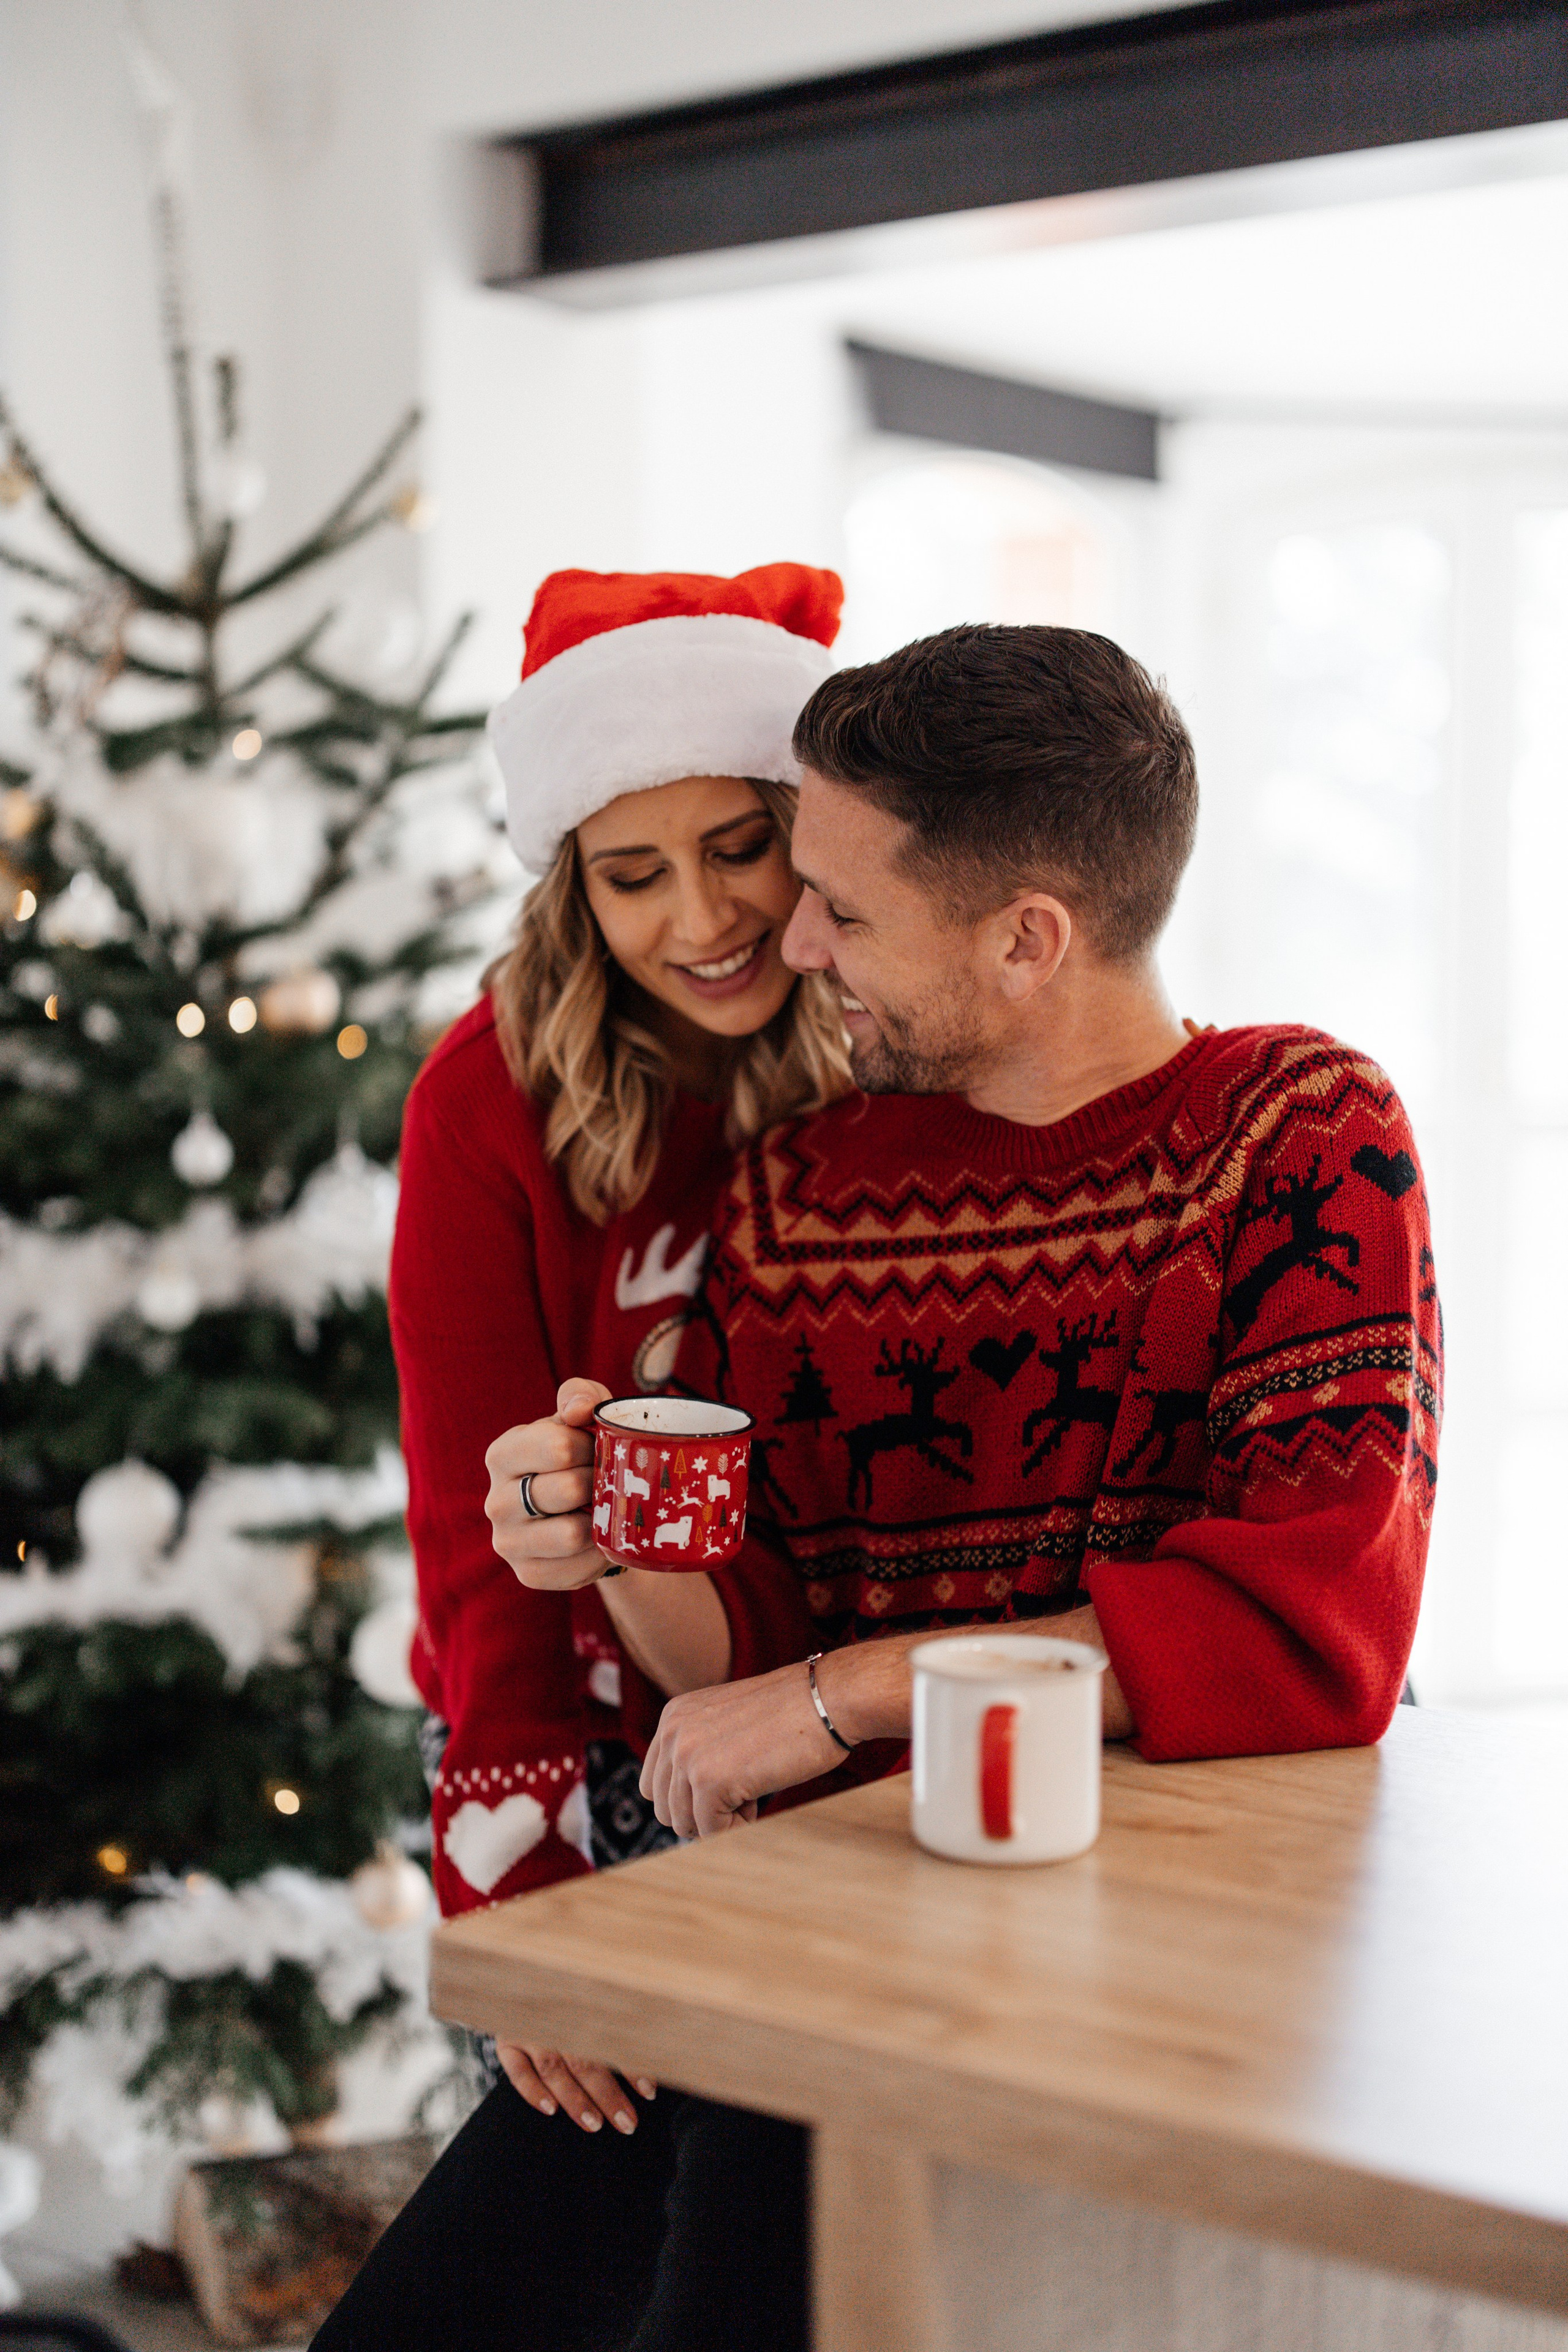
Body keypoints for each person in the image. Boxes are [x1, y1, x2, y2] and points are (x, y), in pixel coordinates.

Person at [323, 624, 1439, 2351]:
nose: (789, 941)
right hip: (839, 1924)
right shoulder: (804, 1196)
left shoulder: (1299, 1135)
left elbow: (1308, 1628)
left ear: (1025, 940)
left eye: (839, 904)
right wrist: (614, 1524)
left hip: (1179, 1953)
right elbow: (733, 1657)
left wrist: (836, 1701)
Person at [382, 565, 848, 2104]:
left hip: (830, 1727)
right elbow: (473, 1517)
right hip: (579, 1752)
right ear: (569, 883)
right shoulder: (483, 1100)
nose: (702, 919)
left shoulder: (883, 1053)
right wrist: (520, 1881)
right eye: (632, 872)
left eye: (739, 848)